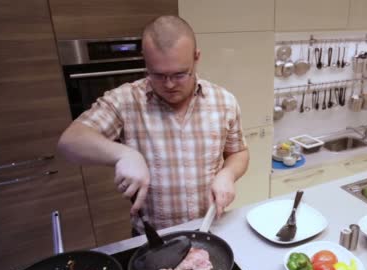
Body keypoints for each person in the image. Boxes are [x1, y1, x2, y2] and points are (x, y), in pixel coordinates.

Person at [57, 15, 249, 235]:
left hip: (210, 230)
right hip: (154, 240)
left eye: (179, 74)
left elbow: (239, 152)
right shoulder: (125, 100)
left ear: (196, 58)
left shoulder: (224, 101)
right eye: (158, 74)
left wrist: (228, 174)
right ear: (145, 60)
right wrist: (124, 154)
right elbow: (69, 142)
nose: (169, 85)